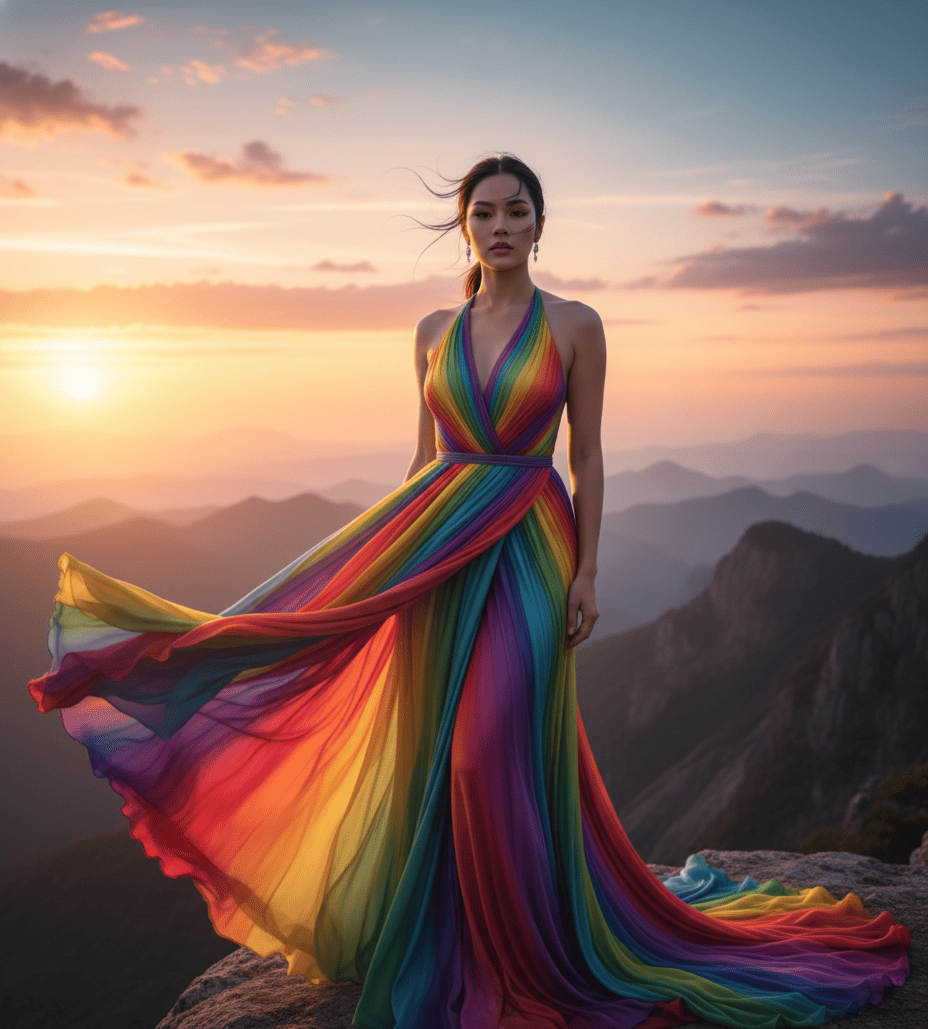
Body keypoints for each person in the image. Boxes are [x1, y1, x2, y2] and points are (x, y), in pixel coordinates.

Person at [30, 154, 909, 1029]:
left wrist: (589, 569)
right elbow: (422, 462)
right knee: (433, 751)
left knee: (492, 744)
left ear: (539, 223)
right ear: (465, 226)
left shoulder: (576, 324)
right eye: (482, 212)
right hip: (438, 544)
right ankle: (454, 932)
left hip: (530, 539)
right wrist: (381, 567)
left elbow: (589, 452)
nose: (498, 226)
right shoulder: (427, 332)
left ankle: (532, 940)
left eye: (514, 210)